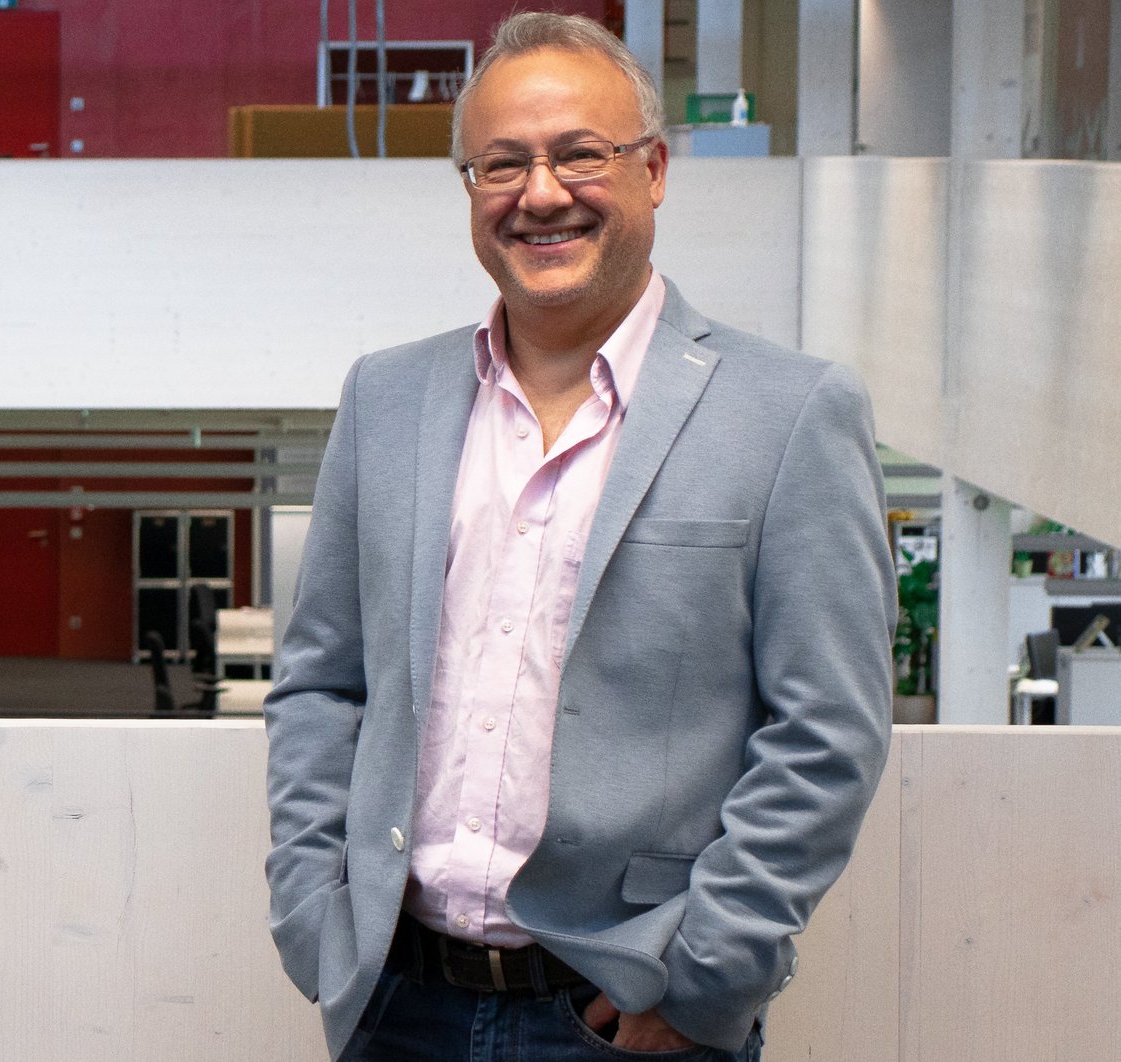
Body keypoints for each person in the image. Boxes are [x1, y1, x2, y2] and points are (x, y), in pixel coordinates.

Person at [263, 11, 897, 1062]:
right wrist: (316, 914)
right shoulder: (387, 399)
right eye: (501, 164)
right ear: (470, 190)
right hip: (393, 1003)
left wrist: (706, 981)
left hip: (624, 1014)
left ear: (653, 171)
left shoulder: (790, 413)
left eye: (580, 155)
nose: (541, 193)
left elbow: (827, 732)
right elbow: (324, 684)